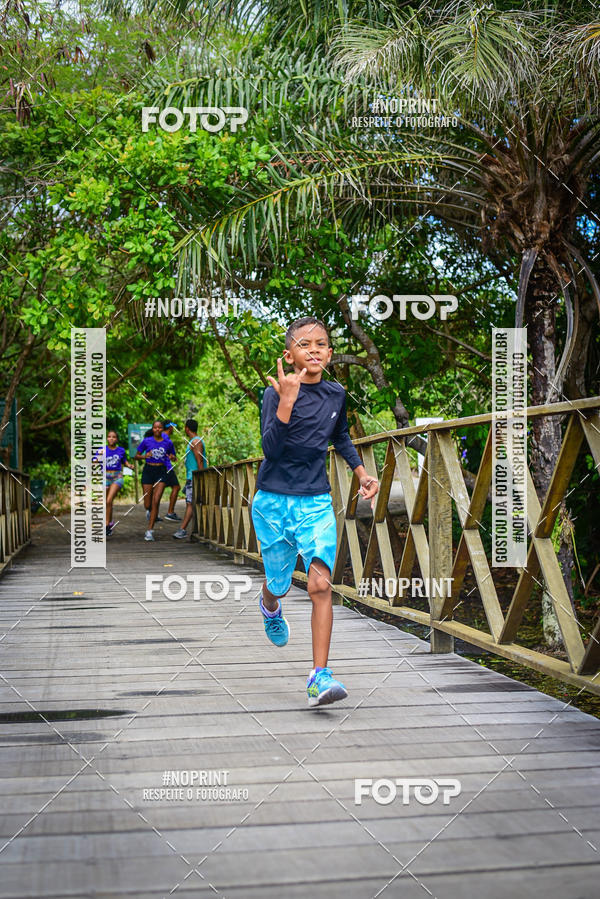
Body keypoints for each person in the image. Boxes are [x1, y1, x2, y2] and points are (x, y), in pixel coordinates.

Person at [251, 316, 379, 707]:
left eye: (321, 344)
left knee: (321, 584)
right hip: (272, 500)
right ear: (289, 355)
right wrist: (287, 401)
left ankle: (318, 677)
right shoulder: (275, 393)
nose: (314, 351)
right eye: (304, 345)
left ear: (329, 352)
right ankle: (270, 605)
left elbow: (338, 434)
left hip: (315, 500)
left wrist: (360, 472)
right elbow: (271, 450)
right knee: (279, 584)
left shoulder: (336, 394)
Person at [135, 420, 176, 541]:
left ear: (162, 429)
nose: (157, 430)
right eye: (155, 428)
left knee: (156, 500)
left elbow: (173, 457)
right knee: (148, 504)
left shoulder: (168, 443)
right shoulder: (147, 441)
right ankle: (150, 512)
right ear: (152, 429)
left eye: (159, 428)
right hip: (148, 471)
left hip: (161, 471)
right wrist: (144, 456)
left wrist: (172, 457)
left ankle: (149, 530)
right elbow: (136, 456)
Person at [173, 419, 207, 539]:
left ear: (187, 428)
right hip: (191, 478)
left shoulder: (196, 441)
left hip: (195, 478)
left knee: (190, 503)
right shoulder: (193, 441)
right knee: (193, 503)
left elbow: (200, 461)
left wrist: (201, 478)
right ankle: (198, 531)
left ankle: (182, 529)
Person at [100, 430, 127, 536]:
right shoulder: (102, 450)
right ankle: (110, 522)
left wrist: (129, 465)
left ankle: (106, 525)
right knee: (107, 502)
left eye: (114, 437)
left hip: (117, 477)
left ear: (117, 439)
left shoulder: (121, 450)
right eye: (109, 437)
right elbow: (94, 461)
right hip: (105, 477)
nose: (111, 438)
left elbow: (124, 461)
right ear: (107, 438)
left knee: (109, 500)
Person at [162, 421, 182, 521]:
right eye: (173, 427)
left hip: (155, 467)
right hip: (166, 467)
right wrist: (173, 457)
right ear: (169, 427)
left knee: (158, 489)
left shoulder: (156, 437)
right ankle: (170, 512)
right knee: (176, 487)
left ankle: (151, 512)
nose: (173, 429)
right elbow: (172, 457)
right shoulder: (167, 439)